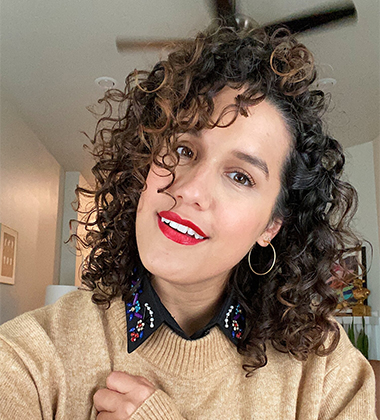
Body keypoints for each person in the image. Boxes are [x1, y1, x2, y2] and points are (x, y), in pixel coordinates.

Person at [0, 23, 376, 419]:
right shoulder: (31, 357)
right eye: (183, 148)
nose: (192, 189)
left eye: (240, 177)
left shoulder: (327, 372)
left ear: (271, 226)